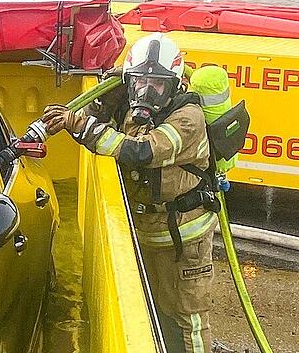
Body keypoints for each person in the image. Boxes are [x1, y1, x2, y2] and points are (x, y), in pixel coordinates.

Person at [41, 33, 216, 353]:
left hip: (183, 238)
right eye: (140, 82)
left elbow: (139, 152)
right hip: (145, 231)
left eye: (158, 84)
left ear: (175, 84)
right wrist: (103, 101)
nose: (147, 91)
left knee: (185, 318)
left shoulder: (188, 119)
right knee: (151, 314)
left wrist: (78, 124)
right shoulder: (131, 103)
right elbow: (98, 127)